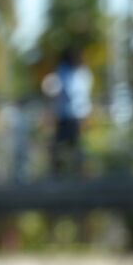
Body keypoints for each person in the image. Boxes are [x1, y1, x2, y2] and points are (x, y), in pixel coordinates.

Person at [42, 45, 93, 177]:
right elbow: (56, 91)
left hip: (77, 115)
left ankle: (79, 173)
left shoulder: (83, 73)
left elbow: (83, 95)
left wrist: (86, 114)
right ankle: (57, 173)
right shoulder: (62, 71)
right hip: (64, 115)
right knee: (59, 146)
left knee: (78, 146)